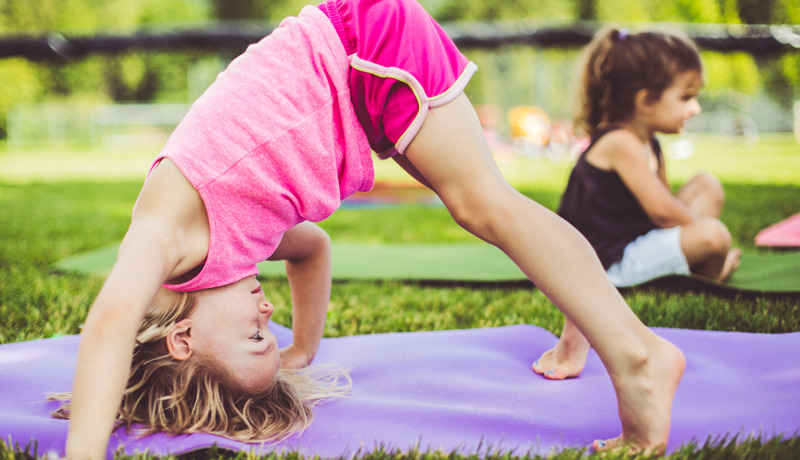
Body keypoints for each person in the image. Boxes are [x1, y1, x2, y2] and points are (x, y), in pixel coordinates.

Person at [64, 1, 684, 458]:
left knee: (482, 204)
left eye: (256, 334)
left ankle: (638, 357)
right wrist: (300, 348)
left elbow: (111, 323)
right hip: (359, 88)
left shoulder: (162, 241)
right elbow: (312, 249)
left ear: (181, 340)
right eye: (267, 330)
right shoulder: (227, 253)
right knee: (484, 203)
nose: (267, 311)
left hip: (358, 48)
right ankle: (592, 327)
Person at [535, 28, 739, 385]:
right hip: (607, 262)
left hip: (635, 238)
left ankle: (698, 264)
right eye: (686, 97)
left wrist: (689, 233)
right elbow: (662, 211)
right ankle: (710, 272)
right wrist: (702, 237)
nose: (695, 107)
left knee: (707, 185)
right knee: (712, 235)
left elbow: (661, 209)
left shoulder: (649, 144)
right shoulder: (620, 142)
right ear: (646, 100)